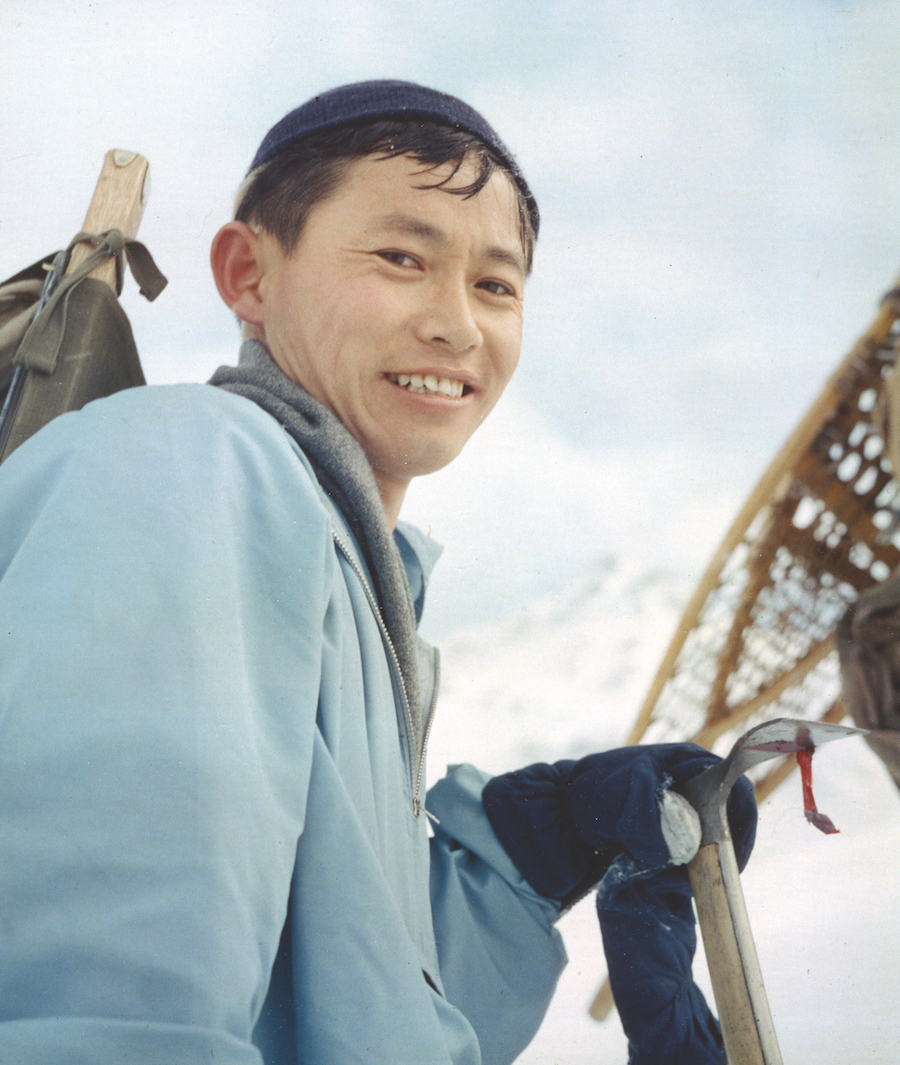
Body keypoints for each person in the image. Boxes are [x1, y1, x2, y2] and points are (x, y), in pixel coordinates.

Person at [0, 81, 756, 1064]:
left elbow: (352, 1004)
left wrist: (529, 854)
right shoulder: (192, 467)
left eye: (496, 286)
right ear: (249, 274)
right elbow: (107, 1008)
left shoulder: (355, 565)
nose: (457, 324)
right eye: (402, 258)